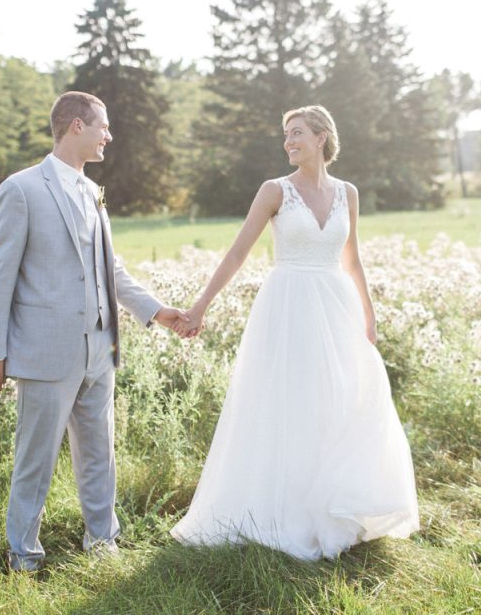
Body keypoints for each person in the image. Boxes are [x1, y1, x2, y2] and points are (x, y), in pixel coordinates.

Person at [170, 105, 420, 561]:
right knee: (290, 404)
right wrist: (199, 306)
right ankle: (285, 510)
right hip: (288, 307)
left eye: (298, 133)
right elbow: (237, 253)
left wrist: (369, 313)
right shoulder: (275, 191)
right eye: (286, 135)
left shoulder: (349, 193)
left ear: (322, 137)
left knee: (344, 401)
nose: (289, 142)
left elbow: (352, 259)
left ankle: (333, 506)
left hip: (337, 307)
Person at [0, 91, 190, 573]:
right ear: (76, 126)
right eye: (103, 126)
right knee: (36, 459)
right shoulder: (22, 189)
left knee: (99, 452)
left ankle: (102, 541)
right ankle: (23, 553)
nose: (109, 135)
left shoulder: (93, 191)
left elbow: (109, 269)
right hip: (44, 351)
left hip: (100, 347)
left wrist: (156, 311)